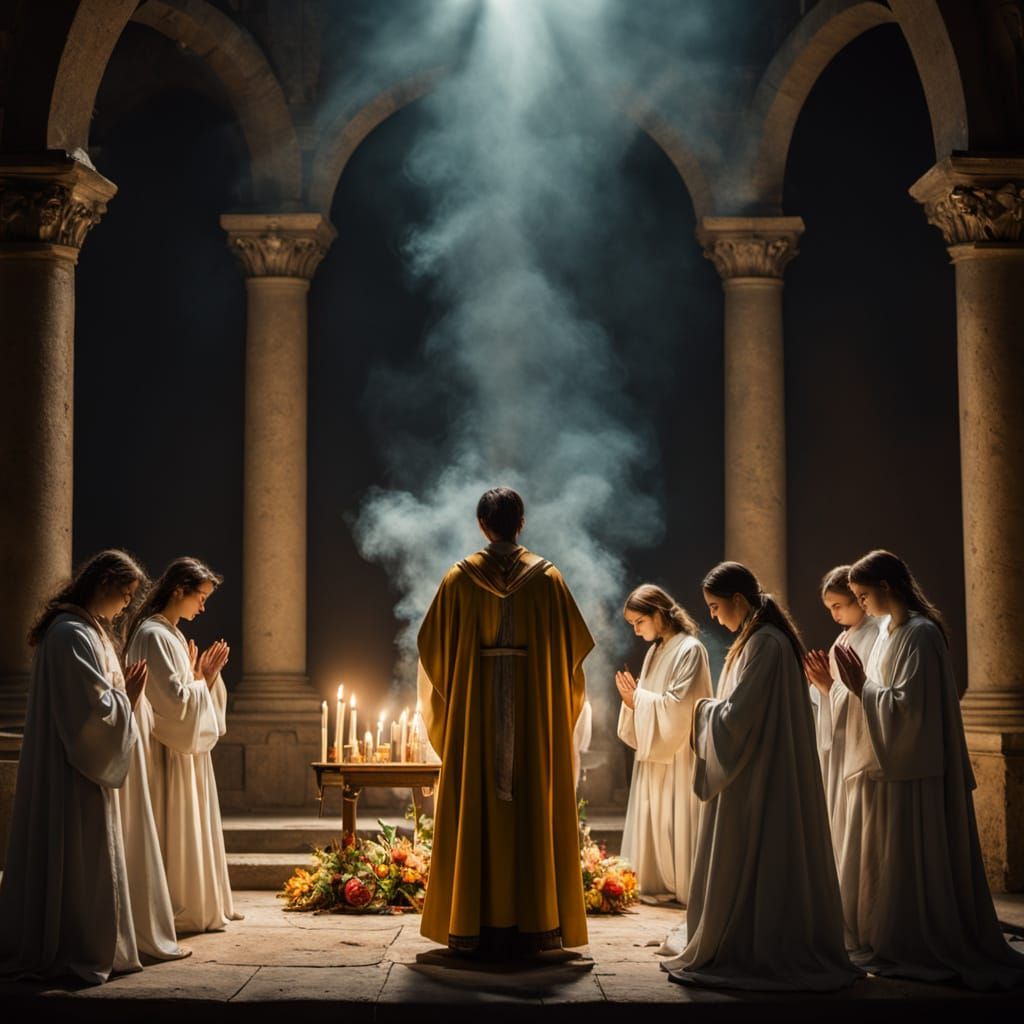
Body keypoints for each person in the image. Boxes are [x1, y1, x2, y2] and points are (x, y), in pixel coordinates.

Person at [661, 561, 859, 991]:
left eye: (716, 607)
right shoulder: (760, 639)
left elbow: (738, 717)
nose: (713, 617)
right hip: (755, 767)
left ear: (738, 600)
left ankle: (756, 941)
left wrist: (700, 712)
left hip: (759, 774)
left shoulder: (765, 644)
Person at [833, 549, 1024, 989]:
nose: (860, 604)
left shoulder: (921, 635)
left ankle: (917, 937)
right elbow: (877, 694)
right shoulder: (886, 633)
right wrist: (850, 689)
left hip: (913, 770)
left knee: (913, 855)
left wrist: (863, 687)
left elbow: (912, 712)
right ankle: (887, 931)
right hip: (886, 766)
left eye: (863, 595)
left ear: (887, 586)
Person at [417, 487, 594, 957]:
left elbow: (432, 655)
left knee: (478, 803)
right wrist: (551, 706)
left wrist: (461, 700)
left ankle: (474, 923)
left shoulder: (459, 580)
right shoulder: (548, 579)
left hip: (476, 719)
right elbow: (571, 662)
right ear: (521, 523)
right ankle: (535, 921)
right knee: (532, 806)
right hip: (533, 720)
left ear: (481, 525)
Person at [0, 550, 148, 983]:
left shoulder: (88, 631)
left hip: (85, 770)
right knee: (79, 857)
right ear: (102, 583)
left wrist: (119, 692)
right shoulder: (69, 635)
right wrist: (128, 699)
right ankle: (77, 943)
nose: (125, 605)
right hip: (73, 774)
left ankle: (92, 939)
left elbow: (97, 697)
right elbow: (88, 715)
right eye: (124, 594)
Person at [125, 557, 240, 933]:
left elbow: (183, 694)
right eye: (201, 597)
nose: (203, 607)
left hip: (182, 749)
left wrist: (203, 679)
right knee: (173, 825)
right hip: (167, 752)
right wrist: (201, 678)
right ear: (178, 590)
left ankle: (198, 900)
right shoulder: (155, 635)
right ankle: (180, 904)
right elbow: (172, 705)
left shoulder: (168, 632)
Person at [616, 584, 712, 906]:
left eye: (638, 622)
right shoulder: (655, 651)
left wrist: (637, 698)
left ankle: (680, 884)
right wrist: (632, 704)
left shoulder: (690, 649)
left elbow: (681, 707)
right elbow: (653, 702)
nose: (635, 629)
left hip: (678, 754)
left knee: (674, 822)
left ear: (658, 614)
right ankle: (654, 881)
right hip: (654, 751)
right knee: (654, 819)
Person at [803, 565, 880, 864]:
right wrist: (818, 685)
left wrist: (828, 686)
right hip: (839, 739)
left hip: (859, 741)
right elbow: (830, 693)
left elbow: (867, 693)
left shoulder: (875, 635)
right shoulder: (843, 640)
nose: (834, 614)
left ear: (858, 599)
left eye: (838, 605)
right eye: (829, 608)